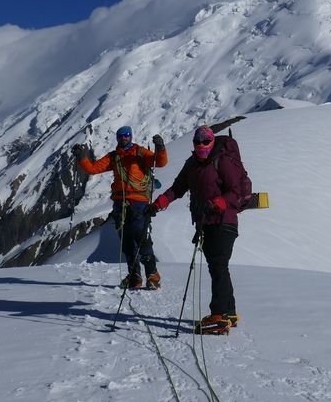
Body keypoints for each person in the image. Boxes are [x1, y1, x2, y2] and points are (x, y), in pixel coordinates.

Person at [147, 125, 244, 334]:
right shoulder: (191, 165)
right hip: (205, 223)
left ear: (212, 141)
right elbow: (177, 189)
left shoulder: (222, 160)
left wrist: (215, 203)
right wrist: (157, 204)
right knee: (218, 266)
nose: (201, 145)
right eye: (197, 141)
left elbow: (235, 191)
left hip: (224, 221)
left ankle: (218, 315)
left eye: (205, 141)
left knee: (218, 264)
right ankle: (229, 312)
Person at [73, 126, 167, 289]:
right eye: (121, 136)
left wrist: (160, 148)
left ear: (131, 136)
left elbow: (160, 162)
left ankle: (151, 275)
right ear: (117, 138)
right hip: (121, 204)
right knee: (127, 241)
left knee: (141, 237)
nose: (124, 138)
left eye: (127, 135)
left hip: (138, 203)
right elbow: (93, 168)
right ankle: (136, 276)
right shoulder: (114, 157)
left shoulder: (140, 153)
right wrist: (82, 156)